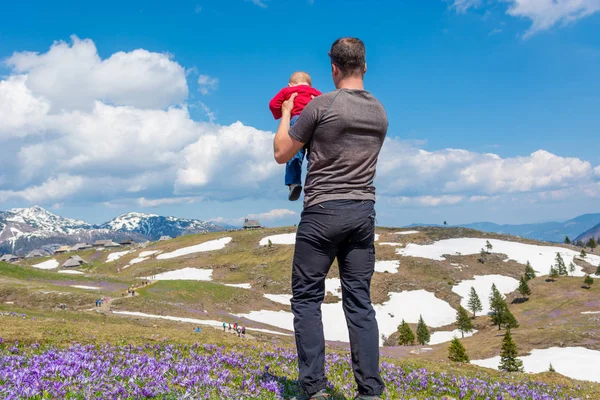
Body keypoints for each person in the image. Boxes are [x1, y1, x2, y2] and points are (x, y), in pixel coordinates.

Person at [273, 37, 387, 400]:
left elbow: (281, 152)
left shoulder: (320, 106)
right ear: (365, 66)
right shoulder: (379, 112)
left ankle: (314, 388)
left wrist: (290, 111)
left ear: (333, 68)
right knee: (359, 301)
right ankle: (369, 391)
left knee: (307, 299)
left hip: (322, 211)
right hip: (362, 213)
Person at [269, 72, 322, 201]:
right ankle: (315, 181)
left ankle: (294, 183)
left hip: (297, 120)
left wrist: (282, 112)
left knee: (294, 154)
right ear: (310, 85)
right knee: (315, 155)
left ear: (290, 84)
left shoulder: (288, 90)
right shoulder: (317, 93)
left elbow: (273, 104)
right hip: (315, 123)